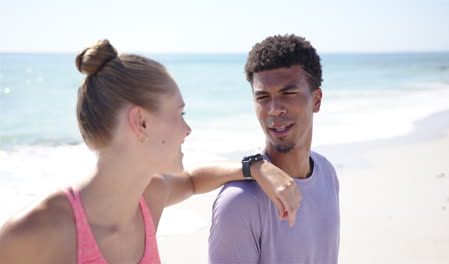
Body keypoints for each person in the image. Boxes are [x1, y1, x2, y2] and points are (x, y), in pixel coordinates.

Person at [0, 40, 302, 264]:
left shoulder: (148, 200)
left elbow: (194, 180)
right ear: (141, 122)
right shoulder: (33, 233)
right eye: (180, 113)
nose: (187, 129)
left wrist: (258, 167)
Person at [208, 34, 340, 264]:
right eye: (262, 97)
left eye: (288, 93)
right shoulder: (239, 202)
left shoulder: (326, 173)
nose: (274, 109)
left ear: (316, 100)